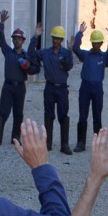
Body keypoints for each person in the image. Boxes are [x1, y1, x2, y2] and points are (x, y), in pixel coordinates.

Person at [0, 11, 38, 146]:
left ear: (23, 41)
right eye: (15, 38)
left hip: (20, 87)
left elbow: (35, 69)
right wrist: (2, 23)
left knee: (18, 113)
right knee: (3, 113)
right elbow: (1, 39)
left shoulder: (26, 56)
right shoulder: (7, 51)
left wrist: (28, 67)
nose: (17, 40)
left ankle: (15, 138)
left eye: (19, 39)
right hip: (8, 86)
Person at [71, 21, 108, 152]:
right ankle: (81, 143)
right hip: (85, 87)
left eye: (98, 43)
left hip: (97, 88)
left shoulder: (104, 56)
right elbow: (75, 48)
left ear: (101, 44)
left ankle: (98, 143)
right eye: (94, 42)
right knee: (83, 115)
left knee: (97, 115)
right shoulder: (85, 55)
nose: (96, 45)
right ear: (91, 43)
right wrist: (80, 33)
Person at [30, 23, 74, 155]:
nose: (56, 40)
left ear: (61, 40)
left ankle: (64, 145)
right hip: (49, 88)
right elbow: (31, 54)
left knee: (63, 116)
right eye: (54, 38)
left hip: (62, 89)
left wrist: (71, 51)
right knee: (48, 115)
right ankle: (47, 143)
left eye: (58, 38)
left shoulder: (66, 53)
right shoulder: (45, 52)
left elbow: (69, 66)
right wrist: (35, 37)